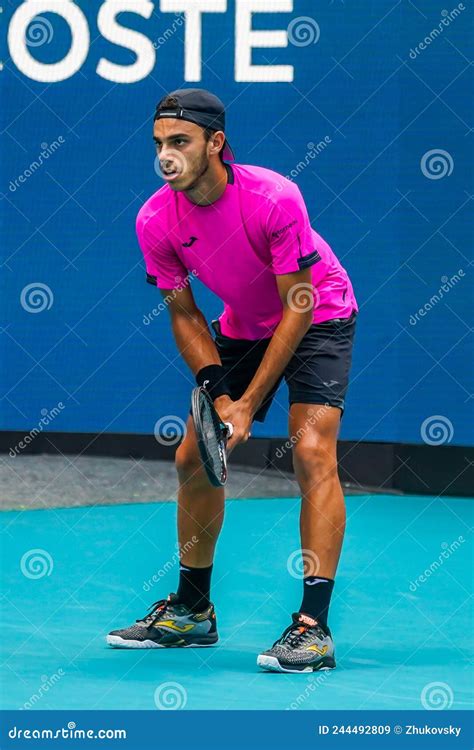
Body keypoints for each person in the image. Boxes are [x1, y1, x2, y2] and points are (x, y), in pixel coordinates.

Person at [107, 88, 358, 673]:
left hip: (318, 316)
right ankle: (193, 609)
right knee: (193, 456)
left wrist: (247, 404)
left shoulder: (274, 197)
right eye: (159, 144)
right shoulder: (154, 219)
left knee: (314, 451)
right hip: (243, 328)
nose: (165, 156)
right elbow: (185, 313)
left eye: (179, 142)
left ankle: (313, 627)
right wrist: (220, 395)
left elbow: (298, 301)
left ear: (215, 143)